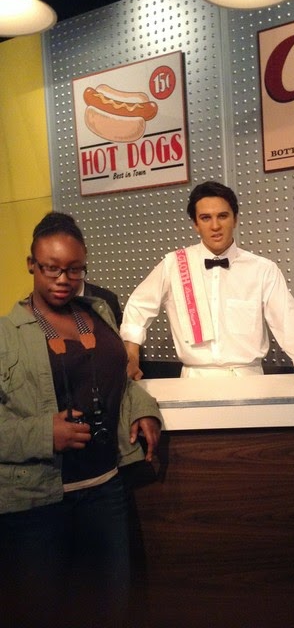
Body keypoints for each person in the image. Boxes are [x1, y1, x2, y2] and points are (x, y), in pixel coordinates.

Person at [0, 211, 161, 628]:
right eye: (51, 268)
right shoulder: (6, 334)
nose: (63, 279)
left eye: (74, 269)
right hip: (38, 503)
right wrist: (44, 432)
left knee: (110, 608)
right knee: (40, 612)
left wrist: (143, 407)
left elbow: (118, 379)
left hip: (106, 489)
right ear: (31, 264)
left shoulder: (98, 312)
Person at [120, 180, 294, 385]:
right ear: (195, 224)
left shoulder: (263, 269)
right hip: (193, 382)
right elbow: (138, 306)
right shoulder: (174, 265)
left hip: (250, 382)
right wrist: (131, 354)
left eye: (222, 216)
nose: (215, 226)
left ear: (235, 219)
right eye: (206, 218)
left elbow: (288, 323)